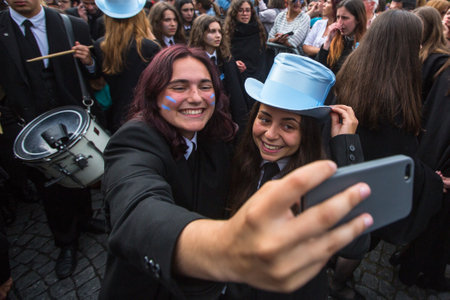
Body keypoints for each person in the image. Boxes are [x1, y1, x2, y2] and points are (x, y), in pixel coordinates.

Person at [98, 45, 373, 299]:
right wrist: (224, 248)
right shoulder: (137, 139)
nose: (195, 97)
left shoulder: (217, 137)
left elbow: (356, 243)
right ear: (154, 92)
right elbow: (137, 208)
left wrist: (345, 145)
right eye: (179, 87)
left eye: (205, 86)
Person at [227, 53, 369, 299]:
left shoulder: (319, 182)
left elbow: (356, 244)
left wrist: (346, 145)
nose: (270, 134)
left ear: (308, 133)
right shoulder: (237, 156)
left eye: (288, 126)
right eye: (265, 118)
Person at [0, 0, 105, 279]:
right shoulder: (1, 29)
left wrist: (90, 61)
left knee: (80, 168)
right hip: (29, 123)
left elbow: (96, 73)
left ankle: (84, 218)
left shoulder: (73, 25)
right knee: (50, 185)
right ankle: (65, 240)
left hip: (71, 115)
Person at [335, 9, 443, 249]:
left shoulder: (355, 67)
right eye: (417, 43)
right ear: (404, 47)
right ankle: (341, 282)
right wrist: (434, 182)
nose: (419, 49)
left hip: (347, 172)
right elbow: (398, 160)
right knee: (359, 242)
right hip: (368, 190)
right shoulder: (395, 101)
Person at [388, 6, 450, 291]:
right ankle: (412, 268)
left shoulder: (440, 61)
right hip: (431, 154)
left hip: (439, 161)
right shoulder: (445, 64)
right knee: (429, 221)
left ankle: (417, 268)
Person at [94, 0, 160, 133]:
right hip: (146, 116)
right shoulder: (149, 47)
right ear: (139, 16)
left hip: (116, 117)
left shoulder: (101, 45)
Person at [188, 14, 251, 131]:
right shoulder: (193, 61)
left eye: (219, 31)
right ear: (200, 33)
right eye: (212, 32)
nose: (217, 36)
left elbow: (238, 93)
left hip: (231, 117)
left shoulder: (227, 59)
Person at [316, 0, 366, 74]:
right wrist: (327, 43)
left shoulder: (365, 43)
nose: (339, 23)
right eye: (338, 17)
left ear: (358, 19)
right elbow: (319, 69)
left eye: (345, 18)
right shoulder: (336, 39)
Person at [224, 0, 267, 81]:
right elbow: (226, 56)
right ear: (234, 12)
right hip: (237, 76)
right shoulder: (229, 33)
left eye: (247, 10)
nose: (245, 14)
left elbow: (262, 58)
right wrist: (234, 64)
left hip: (258, 76)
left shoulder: (259, 30)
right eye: (240, 10)